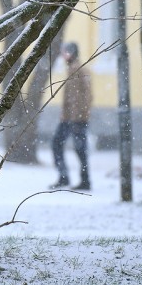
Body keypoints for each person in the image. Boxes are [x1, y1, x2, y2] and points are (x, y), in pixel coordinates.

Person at [50, 42, 92, 191]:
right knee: (68, 146)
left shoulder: (78, 70)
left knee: (77, 148)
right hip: (70, 117)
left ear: (73, 53)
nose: (63, 55)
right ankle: (67, 177)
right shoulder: (73, 69)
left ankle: (80, 179)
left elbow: (83, 97)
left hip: (75, 118)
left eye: (66, 52)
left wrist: (77, 118)